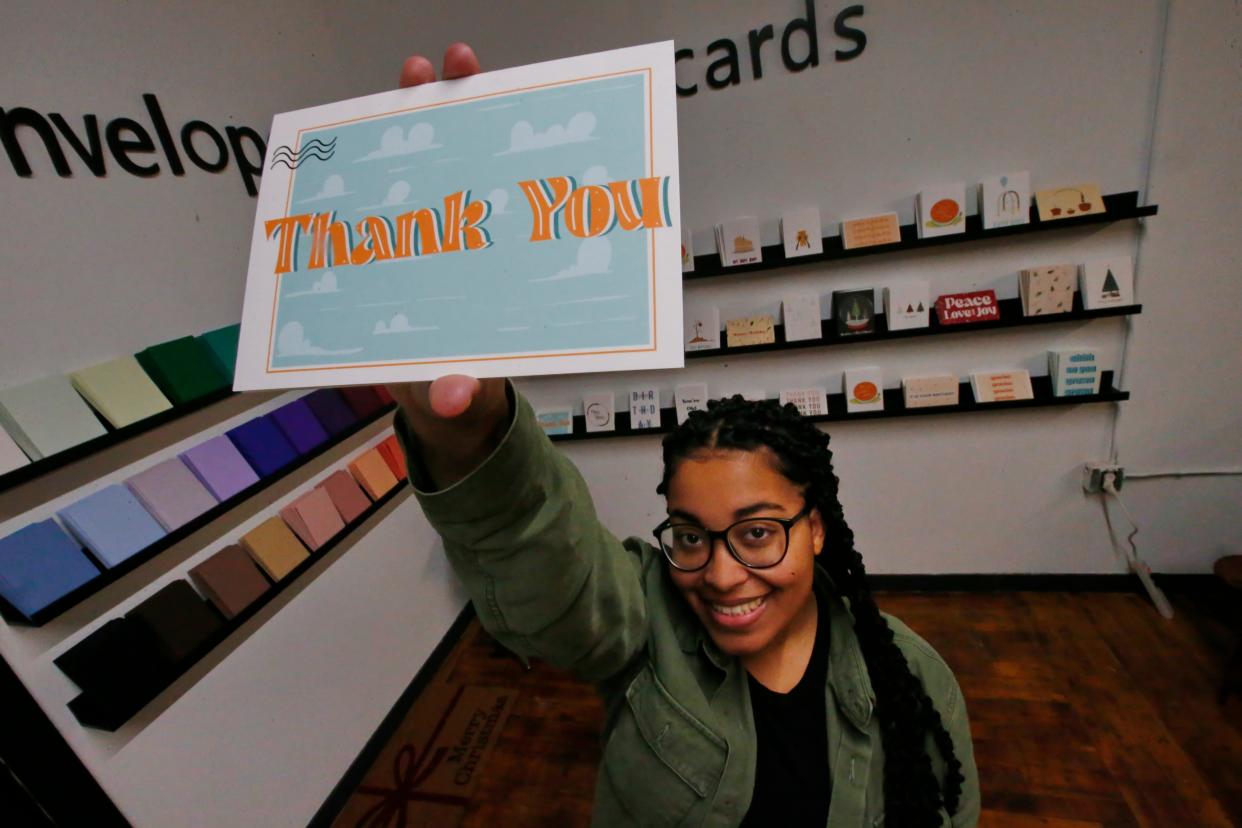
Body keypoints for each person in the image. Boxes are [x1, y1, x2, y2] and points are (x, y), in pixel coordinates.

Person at [390, 43, 980, 828]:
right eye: (691, 537)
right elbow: (541, 551)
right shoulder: (647, 625)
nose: (723, 576)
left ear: (818, 529)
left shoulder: (910, 678)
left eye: (759, 533)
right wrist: (464, 425)